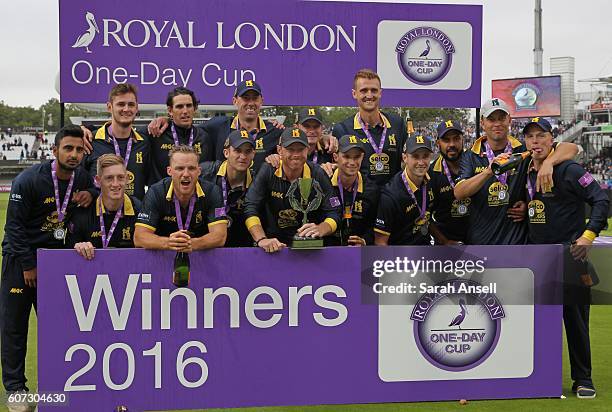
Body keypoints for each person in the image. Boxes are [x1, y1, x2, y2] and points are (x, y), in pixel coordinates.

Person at [1, 125, 92, 404]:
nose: (74, 154)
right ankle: (16, 390)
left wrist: (92, 193)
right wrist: (29, 265)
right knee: (14, 327)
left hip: (55, 266)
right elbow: (14, 228)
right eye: (68, 148)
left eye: (79, 149)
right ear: (54, 151)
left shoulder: (83, 179)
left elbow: (92, 198)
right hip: (21, 263)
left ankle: (59, 385)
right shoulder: (28, 180)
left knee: (57, 329)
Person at [524, 117, 609, 399]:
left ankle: (583, 379)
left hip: (570, 256)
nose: (535, 141)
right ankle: (537, 377)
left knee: (575, 319)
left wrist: (588, 235)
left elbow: (600, 199)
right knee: (537, 322)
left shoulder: (569, 169)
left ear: (552, 139)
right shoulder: (522, 167)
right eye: (530, 137)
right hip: (536, 260)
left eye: (541, 136)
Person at [454, 98, 579, 245]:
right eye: (491, 119)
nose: (497, 124)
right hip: (481, 242)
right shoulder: (470, 155)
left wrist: (549, 163)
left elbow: (571, 148)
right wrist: (489, 171)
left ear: (509, 120)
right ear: (482, 123)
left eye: (501, 118)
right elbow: (459, 193)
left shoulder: (523, 149)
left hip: (517, 242)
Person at [244, 127, 341, 253]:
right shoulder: (268, 170)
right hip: (273, 247)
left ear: (307, 150)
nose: (296, 154)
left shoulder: (318, 174)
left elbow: (335, 212)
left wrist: (322, 228)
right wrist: (261, 239)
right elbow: (250, 206)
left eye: (300, 149)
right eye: (290, 149)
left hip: (310, 249)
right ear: (280, 150)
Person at [134, 145, 227, 250]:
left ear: (199, 171)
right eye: (180, 168)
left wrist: (193, 244)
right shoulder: (156, 192)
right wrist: (169, 243)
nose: (186, 174)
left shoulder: (212, 192)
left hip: (200, 258)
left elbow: (220, 236)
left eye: (191, 168)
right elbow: (139, 237)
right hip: (163, 259)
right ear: (169, 171)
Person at [332, 69, 407, 187]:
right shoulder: (342, 129)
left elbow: (407, 160)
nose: (369, 95)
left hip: (392, 199)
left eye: (374, 90)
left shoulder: (398, 124)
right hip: (361, 198)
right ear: (354, 93)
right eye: (363, 91)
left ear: (380, 93)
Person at [69, 154, 142, 259]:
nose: (116, 184)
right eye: (109, 178)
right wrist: (78, 246)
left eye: (120, 177)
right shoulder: (83, 212)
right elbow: (68, 252)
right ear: (98, 181)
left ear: (126, 179)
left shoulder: (139, 209)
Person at [86, 83, 150, 200]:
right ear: (109, 107)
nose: (126, 109)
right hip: (99, 215)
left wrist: (165, 119)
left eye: (131, 104)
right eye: (121, 104)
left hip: (134, 215)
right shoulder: (90, 140)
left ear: (136, 108)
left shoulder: (144, 142)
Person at [374, 134, 435, 245]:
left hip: (426, 253)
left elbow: (429, 220)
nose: (421, 162)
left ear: (431, 157)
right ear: (405, 158)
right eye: (415, 156)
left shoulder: (431, 181)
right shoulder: (391, 195)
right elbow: (380, 242)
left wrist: (445, 241)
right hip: (400, 257)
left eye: (425, 156)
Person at [200, 130, 256, 247]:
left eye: (248, 151)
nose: (243, 156)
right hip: (206, 246)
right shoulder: (204, 173)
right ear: (226, 153)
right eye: (237, 151)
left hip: (242, 248)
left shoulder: (257, 181)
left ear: (253, 154)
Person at [147, 87, 209, 183]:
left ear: (195, 108)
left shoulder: (204, 137)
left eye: (189, 106)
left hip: (196, 196)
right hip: (161, 196)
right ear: (170, 110)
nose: (185, 111)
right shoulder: (156, 133)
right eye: (179, 107)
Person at [328, 135, 379, 246]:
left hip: (358, 254)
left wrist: (365, 241)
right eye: (346, 156)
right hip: (328, 252)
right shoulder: (325, 183)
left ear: (362, 157)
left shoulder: (371, 189)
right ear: (336, 157)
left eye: (356, 157)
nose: (352, 162)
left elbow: (375, 225)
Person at [428, 120, 471, 244]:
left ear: (463, 140)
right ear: (438, 143)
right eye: (446, 140)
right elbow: (424, 215)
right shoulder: (431, 173)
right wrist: (444, 241)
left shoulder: (475, 163)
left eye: (456, 139)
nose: (452, 144)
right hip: (446, 244)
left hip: (478, 240)